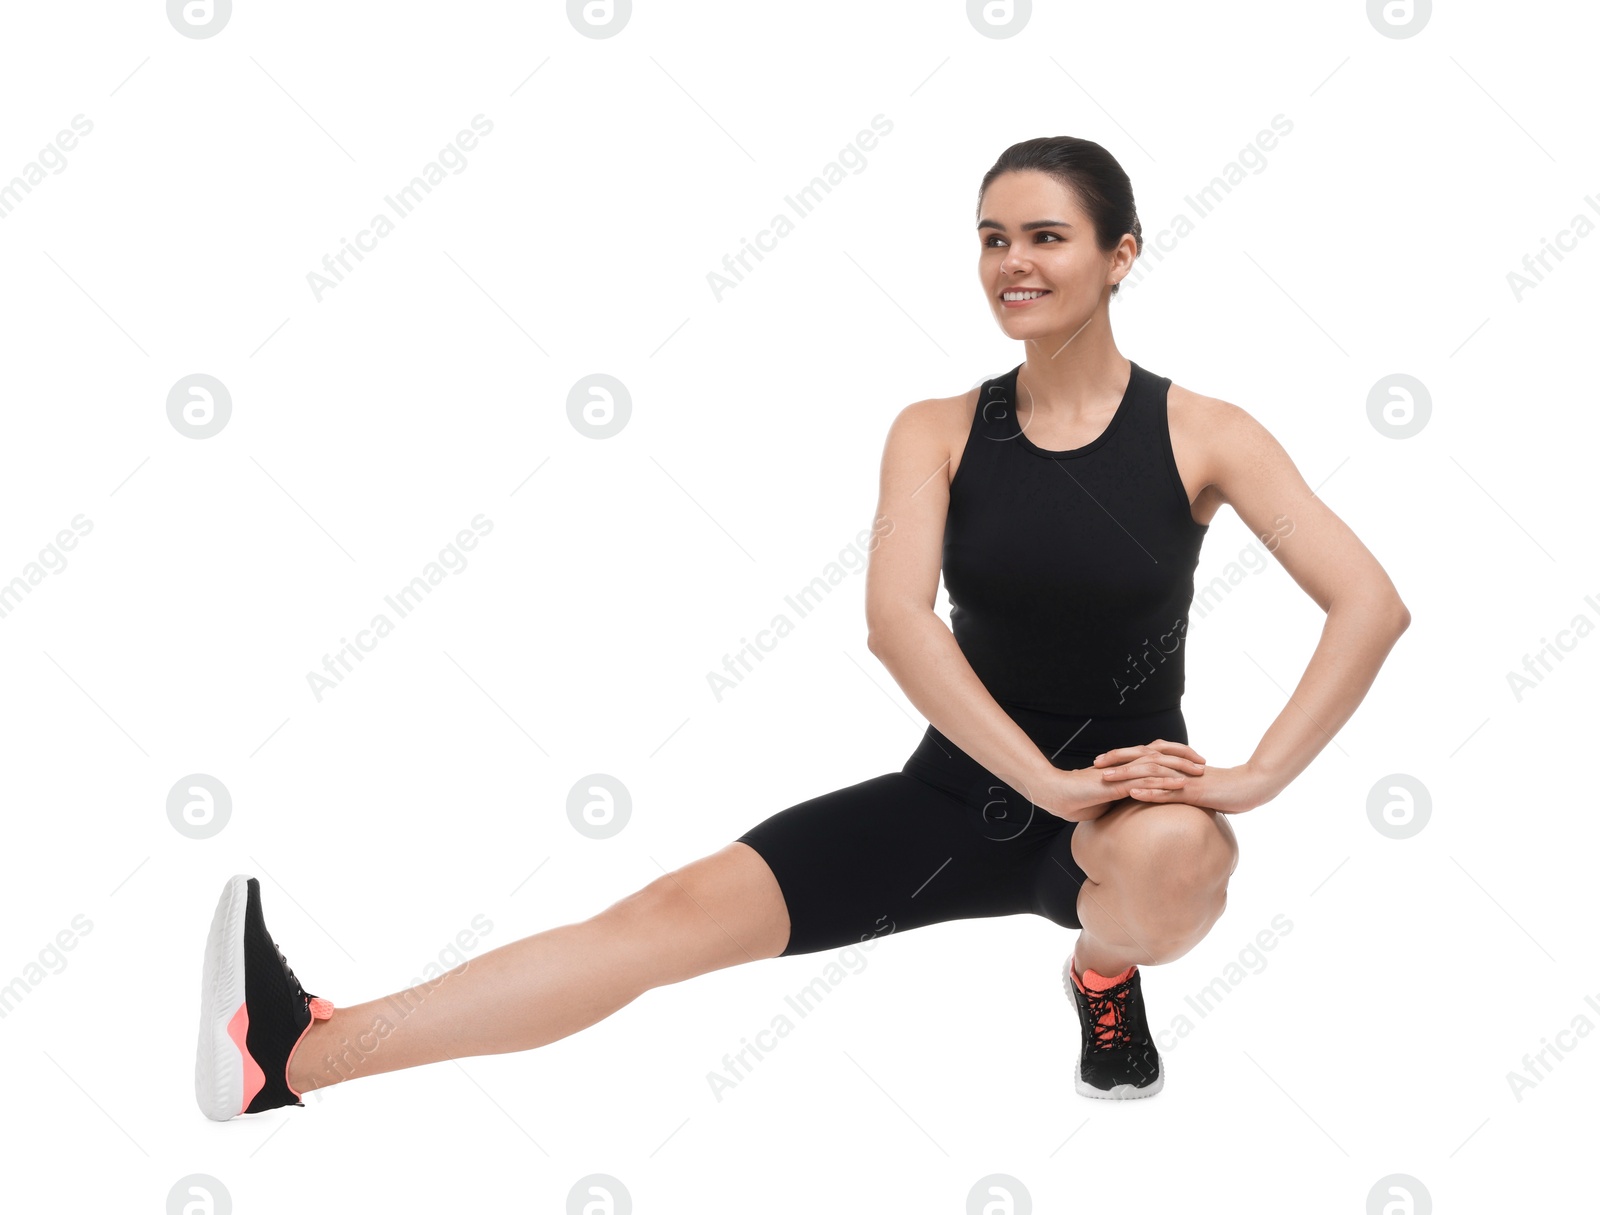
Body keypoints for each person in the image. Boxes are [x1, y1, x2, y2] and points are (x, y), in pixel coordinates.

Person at [194, 135, 1410, 1120]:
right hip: (960, 794)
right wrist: (1040, 778)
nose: (1011, 263)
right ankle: (298, 1057)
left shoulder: (1205, 432)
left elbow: (1368, 603)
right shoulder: (933, 429)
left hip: (1126, 817)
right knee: (658, 923)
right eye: (992, 238)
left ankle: (1102, 972)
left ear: (1119, 253)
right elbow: (897, 624)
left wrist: (1243, 780)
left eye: (1045, 236)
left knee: (1181, 860)